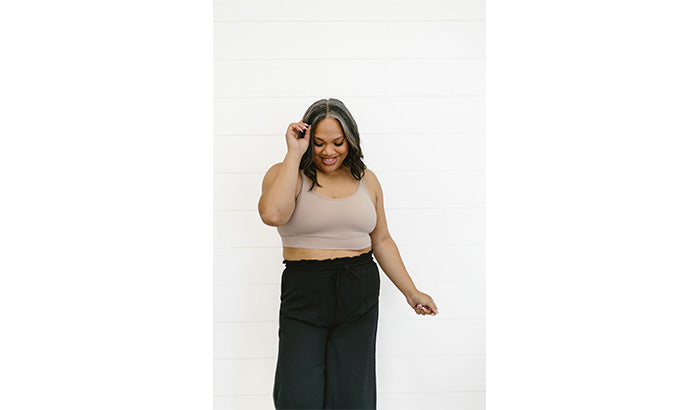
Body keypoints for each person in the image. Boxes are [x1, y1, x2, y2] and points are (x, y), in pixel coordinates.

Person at [258, 98, 438, 410]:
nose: (329, 152)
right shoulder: (285, 173)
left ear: (350, 140)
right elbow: (273, 214)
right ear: (305, 139)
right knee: (297, 397)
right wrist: (294, 154)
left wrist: (411, 291)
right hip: (305, 289)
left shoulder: (366, 179)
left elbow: (381, 239)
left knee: (353, 397)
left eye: (338, 142)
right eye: (319, 143)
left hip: (359, 288)